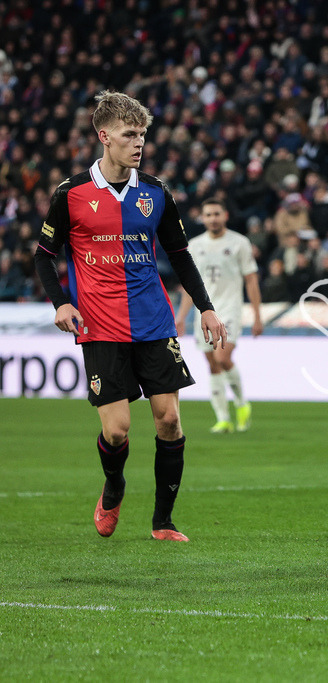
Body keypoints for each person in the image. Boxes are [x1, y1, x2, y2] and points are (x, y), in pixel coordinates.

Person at [33, 91, 226, 542]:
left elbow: (180, 254)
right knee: (118, 431)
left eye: (142, 135)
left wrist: (206, 307)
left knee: (169, 420)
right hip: (99, 326)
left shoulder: (156, 192)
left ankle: (163, 521)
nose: (138, 143)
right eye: (129, 134)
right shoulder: (71, 193)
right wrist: (61, 302)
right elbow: (44, 255)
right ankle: (114, 485)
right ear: (104, 136)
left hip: (154, 321)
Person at [175, 198, 263, 433]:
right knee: (213, 364)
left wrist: (257, 316)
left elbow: (251, 280)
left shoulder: (239, 243)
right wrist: (181, 317)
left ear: (225, 216)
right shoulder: (195, 245)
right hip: (204, 312)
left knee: (222, 358)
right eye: (208, 215)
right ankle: (223, 418)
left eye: (216, 214)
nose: (213, 219)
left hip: (230, 309)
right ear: (202, 218)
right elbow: (189, 286)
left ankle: (241, 404)